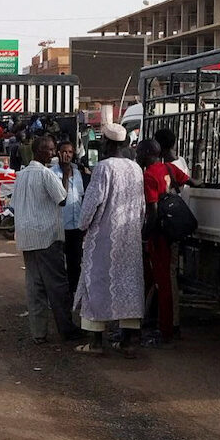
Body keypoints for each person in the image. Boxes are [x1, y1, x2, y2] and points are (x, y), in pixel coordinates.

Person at [74, 124, 145, 357]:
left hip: (104, 235)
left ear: (108, 142)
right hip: (130, 235)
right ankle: (129, 342)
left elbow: (93, 200)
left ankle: (95, 342)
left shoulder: (103, 168)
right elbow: (141, 206)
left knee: (96, 281)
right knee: (129, 284)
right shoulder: (136, 168)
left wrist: (82, 225)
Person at [11, 135, 74, 344]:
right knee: (57, 286)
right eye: (49, 149)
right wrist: (65, 175)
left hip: (27, 237)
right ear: (39, 151)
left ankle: (39, 331)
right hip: (47, 236)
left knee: (34, 285)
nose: (53, 152)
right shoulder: (46, 174)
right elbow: (63, 199)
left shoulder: (21, 175)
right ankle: (66, 329)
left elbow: (13, 205)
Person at [138, 138, 193, 346]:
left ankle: (166, 330)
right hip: (172, 231)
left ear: (146, 153)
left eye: (139, 152)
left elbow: (151, 212)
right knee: (164, 280)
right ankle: (162, 325)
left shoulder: (149, 175)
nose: (137, 155)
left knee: (163, 283)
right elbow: (190, 181)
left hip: (159, 235)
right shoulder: (168, 167)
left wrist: (144, 236)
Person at [52, 140, 85, 304]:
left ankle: (74, 294)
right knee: (58, 264)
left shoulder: (77, 173)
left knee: (75, 262)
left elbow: (80, 196)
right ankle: (59, 297)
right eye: (64, 152)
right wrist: (65, 174)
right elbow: (61, 198)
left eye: (70, 152)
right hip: (60, 225)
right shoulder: (52, 173)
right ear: (58, 153)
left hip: (76, 225)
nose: (67, 155)